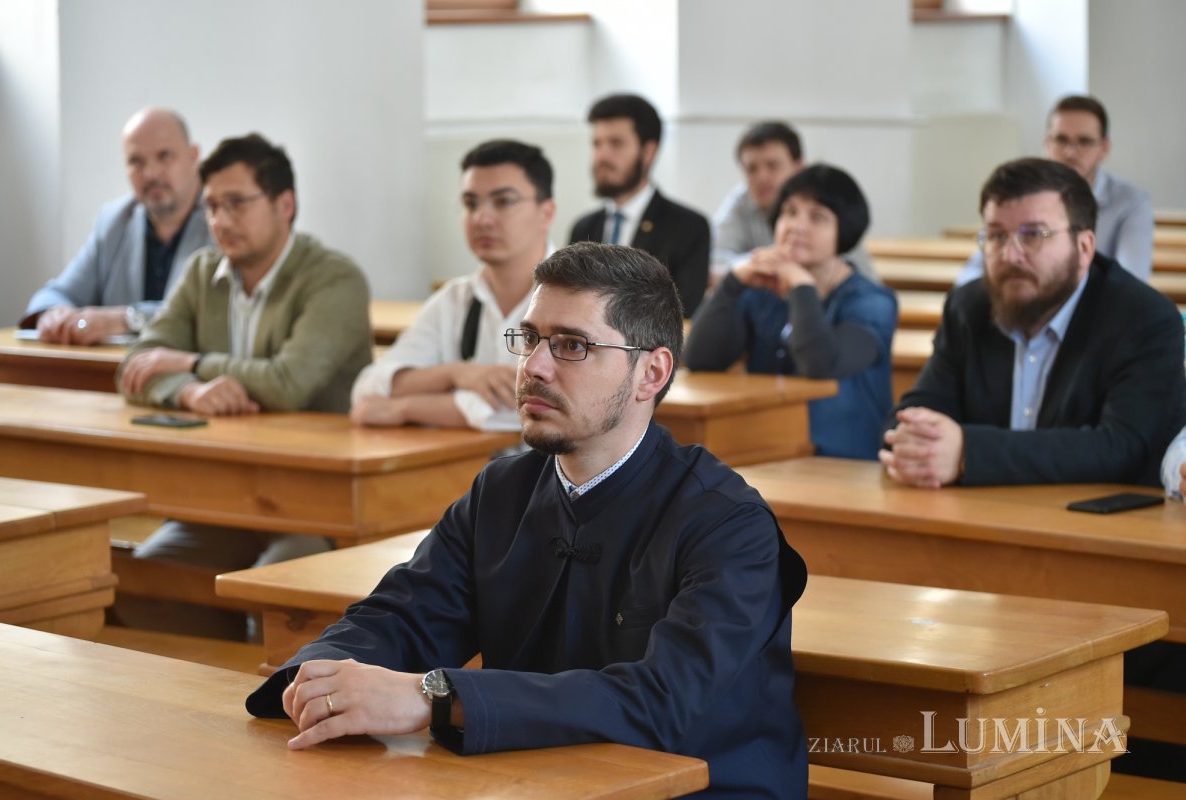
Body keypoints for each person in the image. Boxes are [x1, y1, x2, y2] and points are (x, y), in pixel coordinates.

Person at [245, 242, 810, 799]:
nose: (533, 366)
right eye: (531, 338)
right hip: (537, 781)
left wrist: (435, 696)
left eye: (571, 345)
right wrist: (317, 676)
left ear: (650, 372)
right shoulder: (503, 490)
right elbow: (403, 617)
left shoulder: (728, 524)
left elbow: (659, 702)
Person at [114, 133, 373, 639]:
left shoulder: (335, 278)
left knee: (272, 596)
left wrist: (189, 361)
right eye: (211, 206)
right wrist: (189, 391)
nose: (220, 221)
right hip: (223, 497)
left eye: (236, 203)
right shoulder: (201, 271)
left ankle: (251, 686)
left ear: (285, 205)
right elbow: (133, 365)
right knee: (139, 582)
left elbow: (288, 383)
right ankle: (211, 685)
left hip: (314, 505)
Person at [882, 157, 1186, 488]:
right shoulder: (969, 306)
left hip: (1098, 527)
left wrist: (969, 452)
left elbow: (1123, 447)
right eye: (996, 236)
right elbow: (916, 411)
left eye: (1033, 235)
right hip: (983, 516)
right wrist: (912, 441)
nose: (1010, 255)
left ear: (1084, 247)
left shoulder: (1142, 317)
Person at [687, 165, 896, 460]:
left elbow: (820, 363)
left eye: (817, 217)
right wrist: (733, 283)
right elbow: (700, 358)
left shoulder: (873, 302)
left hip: (846, 461)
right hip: (770, 453)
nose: (797, 225)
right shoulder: (761, 293)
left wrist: (800, 285)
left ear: (844, 230)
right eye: (789, 212)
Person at [350, 140, 554, 430]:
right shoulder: (454, 300)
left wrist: (405, 408)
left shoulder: (576, 298)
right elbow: (369, 389)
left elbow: (533, 409)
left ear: (546, 212)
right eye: (470, 204)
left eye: (503, 201)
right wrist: (457, 375)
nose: (482, 218)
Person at [20, 107, 212, 344]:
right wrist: (55, 313)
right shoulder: (116, 220)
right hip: (113, 373)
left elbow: (212, 312)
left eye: (164, 156)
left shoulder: (224, 217)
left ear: (194, 157)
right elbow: (56, 294)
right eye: (136, 161)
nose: (150, 173)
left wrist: (127, 319)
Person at [956, 95, 1153, 285]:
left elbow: (1131, 278)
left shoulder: (1132, 203)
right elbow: (974, 272)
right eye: (1061, 140)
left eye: (1084, 142)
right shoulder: (1023, 196)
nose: (1070, 152)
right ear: (1046, 144)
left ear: (1104, 148)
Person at [569, 93, 710, 317]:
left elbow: (681, 315)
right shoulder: (584, 227)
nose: (601, 156)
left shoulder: (689, 227)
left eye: (616, 143)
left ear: (648, 152)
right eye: (597, 144)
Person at [711, 121, 876, 282]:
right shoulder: (741, 201)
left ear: (799, 168)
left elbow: (865, 279)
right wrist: (766, 260)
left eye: (773, 165)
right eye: (752, 169)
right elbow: (714, 261)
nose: (761, 177)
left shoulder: (829, 201)